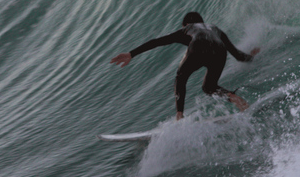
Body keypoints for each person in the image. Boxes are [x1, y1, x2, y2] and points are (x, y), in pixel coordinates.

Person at [110, 12, 260, 120]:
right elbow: (237, 55)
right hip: (219, 51)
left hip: (198, 47)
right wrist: (251, 56)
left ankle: (179, 115)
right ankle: (233, 97)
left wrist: (131, 54)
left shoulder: (187, 29)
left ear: (186, 24)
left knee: (180, 77)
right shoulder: (215, 29)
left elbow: (157, 41)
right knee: (209, 87)